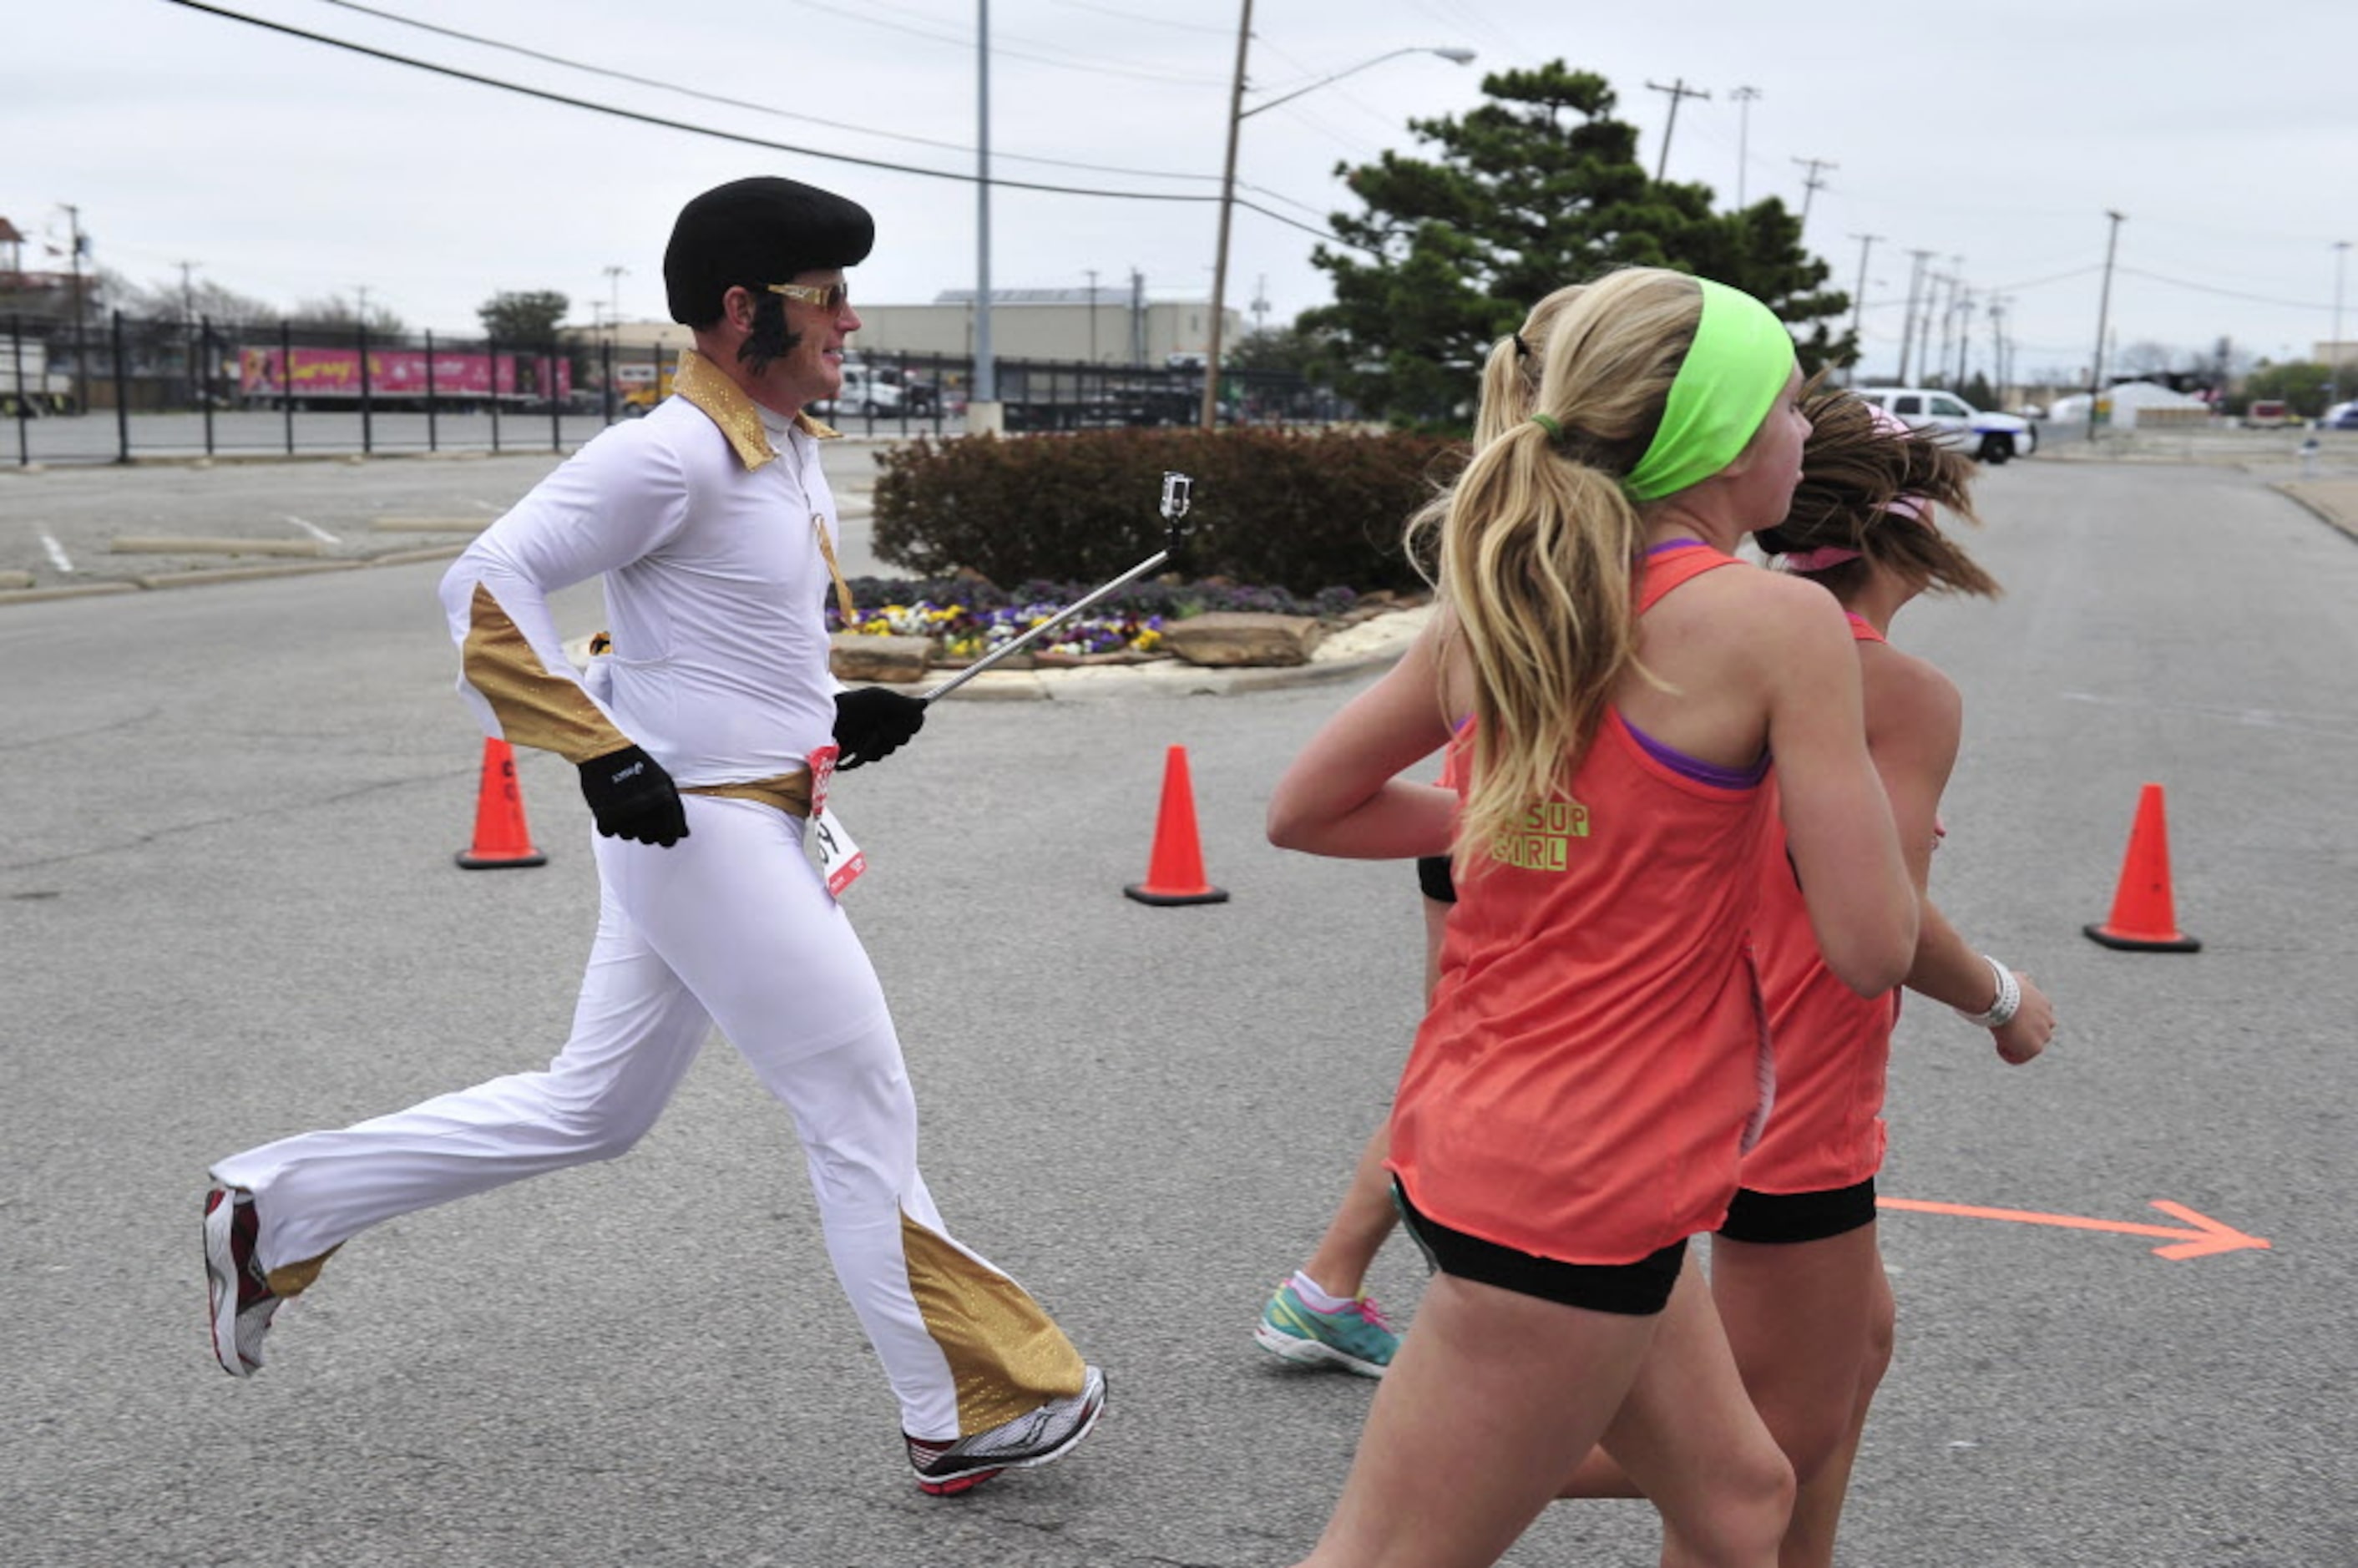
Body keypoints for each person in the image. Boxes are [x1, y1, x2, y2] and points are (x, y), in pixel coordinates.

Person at [201, 175, 1104, 1499]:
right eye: (826, 297)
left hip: (740, 816)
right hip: (709, 836)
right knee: (860, 1108)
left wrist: (827, 708)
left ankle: (275, 1210)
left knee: (594, 1107)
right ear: (743, 311)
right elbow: (483, 587)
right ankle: (961, 1400)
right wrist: (600, 747)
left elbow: (706, 635)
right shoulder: (669, 448)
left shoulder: (779, 449)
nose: (851, 321)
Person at [1266, 267, 1919, 1568]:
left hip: (1516, 1144)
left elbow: (1311, 808)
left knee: (1741, 1501)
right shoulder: (1782, 622)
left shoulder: (1515, 592)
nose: (1805, 434)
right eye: (1788, 407)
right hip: (1573, 1184)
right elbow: (1872, 943)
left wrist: (1531, 816)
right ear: (1726, 437)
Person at [1694, 387, 2055, 1565]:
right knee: (1761, 1455)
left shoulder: (1719, 635)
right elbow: (1880, 933)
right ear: (1913, 527)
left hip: (1710, 1068)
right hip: (1790, 1098)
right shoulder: (1892, 689)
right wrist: (2003, 997)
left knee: (1858, 1352)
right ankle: (1443, 1478)